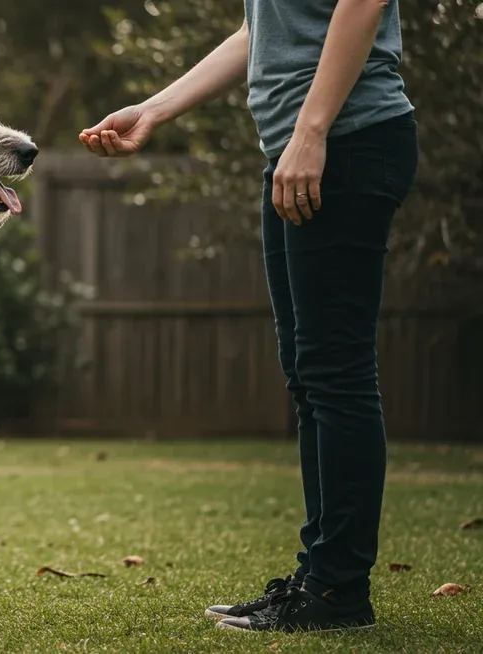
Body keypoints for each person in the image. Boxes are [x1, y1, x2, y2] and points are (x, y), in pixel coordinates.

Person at [78, 0, 418, 633]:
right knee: (309, 375)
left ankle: (338, 592)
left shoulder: (326, 134)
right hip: (299, 148)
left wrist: (312, 132)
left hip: (344, 140)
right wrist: (153, 109)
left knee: (335, 373)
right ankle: (321, 578)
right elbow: (254, 33)